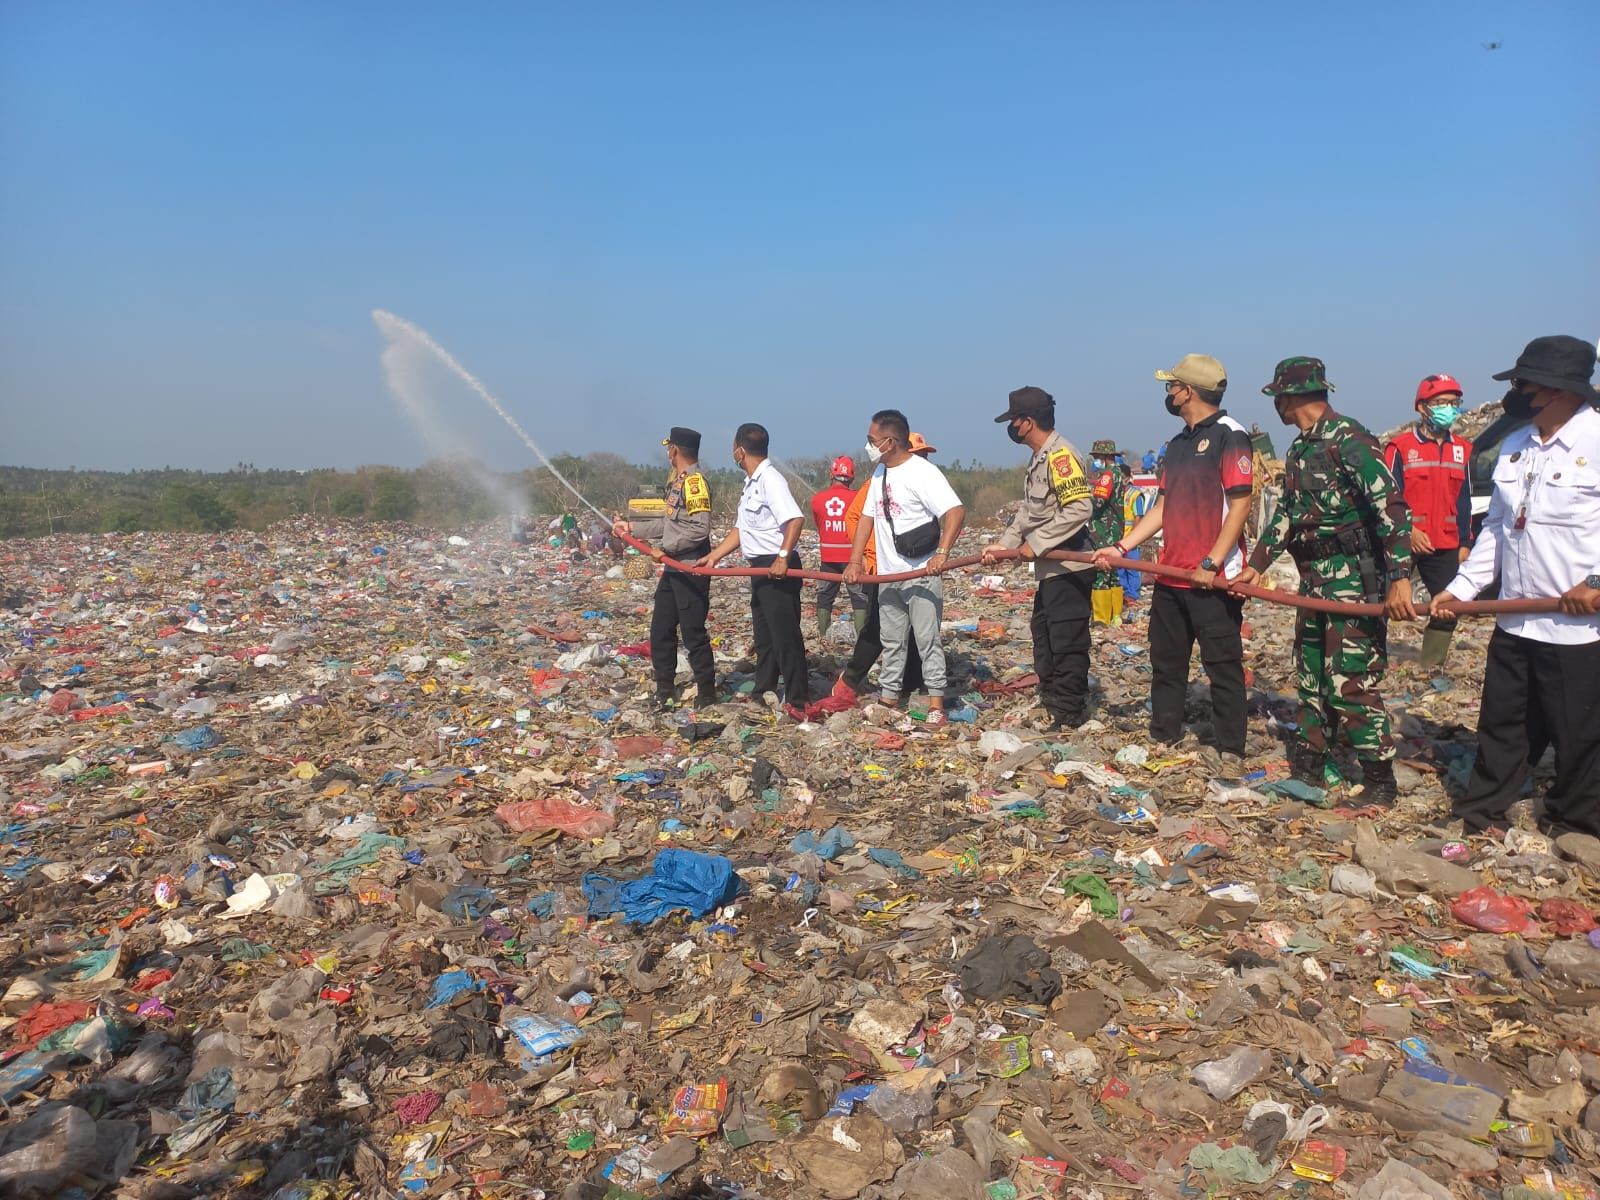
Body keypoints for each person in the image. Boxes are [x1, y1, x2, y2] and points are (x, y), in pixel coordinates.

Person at [1432, 335, 1600, 838]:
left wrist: (1594, 581)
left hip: (1577, 627)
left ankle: (1576, 822)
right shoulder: (1514, 445)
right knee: (1503, 724)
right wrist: (1460, 589)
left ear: (1557, 389)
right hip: (1515, 617)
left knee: (1580, 735)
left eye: (1526, 382)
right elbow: (1498, 531)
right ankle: (1481, 811)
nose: (1519, 391)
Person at [1233, 357, 1416, 804]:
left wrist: (1400, 578)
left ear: (1290, 397)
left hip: (1353, 581)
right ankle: (1313, 766)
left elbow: (1390, 508)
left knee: (1349, 681)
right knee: (1312, 677)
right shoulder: (1299, 450)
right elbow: (1287, 516)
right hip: (1314, 581)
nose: (1276, 405)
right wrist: (1256, 564)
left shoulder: (1349, 439)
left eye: (1278, 397)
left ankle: (1378, 782)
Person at [1094, 355, 1254, 767]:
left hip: (1210, 579)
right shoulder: (1178, 444)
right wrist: (1123, 546)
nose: (1168, 393)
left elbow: (1240, 504)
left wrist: (1213, 561)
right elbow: (1162, 506)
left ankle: (1231, 748)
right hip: (1171, 574)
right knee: (1166, 662)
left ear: (1189, 390)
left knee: (1222, 666)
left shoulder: (1229, 436)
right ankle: (1164, 733)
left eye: (1172, 386)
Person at [980, 386, 1095, 730]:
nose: (1011, 428)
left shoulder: (1060, 457)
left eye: (1013, 421)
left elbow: (1079, 508)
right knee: (1043, 634)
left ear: (1027, 422)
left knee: (1066, 640)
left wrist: (1038, 544)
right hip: (1050, 569)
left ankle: (1069, 712)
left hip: (1069, 564)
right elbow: (1029, 514)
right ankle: (1051, 700)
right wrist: (1004, 546)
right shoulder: (1039, 458)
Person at [845, 411, 965, 725]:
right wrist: (855, 562)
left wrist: (942, 553)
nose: (868, 445)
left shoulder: (922, 473)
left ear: (890, 441)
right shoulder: (879, 477)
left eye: (872, 440)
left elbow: (955, 512)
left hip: (921, 574)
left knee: (927, 641)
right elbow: (866, 521)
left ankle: (936, 702)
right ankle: (888, 697)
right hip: (888, 576)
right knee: (892, 641)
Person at [698, 424, 809, 711]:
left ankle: (797, 698)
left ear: (740, 451)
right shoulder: (751, 484)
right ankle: (764, 689)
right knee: (764, 636)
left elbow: (795, 520)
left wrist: (782, 557)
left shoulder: (771, 480)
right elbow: (742, 529)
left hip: (777, 567)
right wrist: (714, 556)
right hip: (759, 567)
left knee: (785, 636)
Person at [612, 427, 716, 710]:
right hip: (672, 570)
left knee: (693, 631)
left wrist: (667, 549)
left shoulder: (694, 483)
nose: (667, 453)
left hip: (689, 568)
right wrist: (632, 527)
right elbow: (667, 524)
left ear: (675, 451)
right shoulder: (679, 482)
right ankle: (665, 688)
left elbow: (699, 529)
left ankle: (707, 691)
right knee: (661, 629)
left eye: (669, 449)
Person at [832, 434, 935, 702]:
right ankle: (852, 679)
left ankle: (913, 683)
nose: (924, 460)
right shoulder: (881, 480)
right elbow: (855, 518)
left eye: (926, 455)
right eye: (919, 454)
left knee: (916, 628)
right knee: (879, 626)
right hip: (885, 570)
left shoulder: (922, 482)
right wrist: (867, 555)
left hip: (913, 569)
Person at [1384, 374, 1474, 671]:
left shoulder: (1462, 449)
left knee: (1448, 608)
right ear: (1422, 407)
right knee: (1383, 602)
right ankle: (1370, 661)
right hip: (1403, 540)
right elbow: (1387, 497)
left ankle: (1430, 665)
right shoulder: (1400, 447)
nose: (1448, 408)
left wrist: (1465, 542)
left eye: (1453, 403)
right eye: (1440, 403)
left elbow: (1464, 500)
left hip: (1445, 542)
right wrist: (1408, 530)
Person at [810, 456, 865, 635]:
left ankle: (823, 635)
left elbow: (819, 525)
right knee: (860, 598)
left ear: (831, 475)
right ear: (851, 477)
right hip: (854, 560)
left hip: (828, 558)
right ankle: (862, 638)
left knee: (825, 596)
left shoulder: (818, 499)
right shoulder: (859, 498)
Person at [1087, 440, 1128, 626]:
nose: (1094, 461)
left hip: (1103, 529)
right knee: (1113, 573)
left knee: (1101, 571)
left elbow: (1098, 503)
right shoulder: (1120, 473)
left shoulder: (1107, 476)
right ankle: (1115, 616)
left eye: (1096, 457)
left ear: (1104, 457)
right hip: (1116, 528)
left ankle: (1101, 618)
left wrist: (1085, 498)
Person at [1119, 466, 1153, 604]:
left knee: (1132, 567)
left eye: (1121, 477)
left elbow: (1138, 517)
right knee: (1120, 567)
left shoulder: (1135, 494)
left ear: (1127, 478)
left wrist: (1134, 536)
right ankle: (1123, 592)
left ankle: (1133, 594)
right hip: (1119, 537)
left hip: (1130, 536)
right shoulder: (1118, 494)